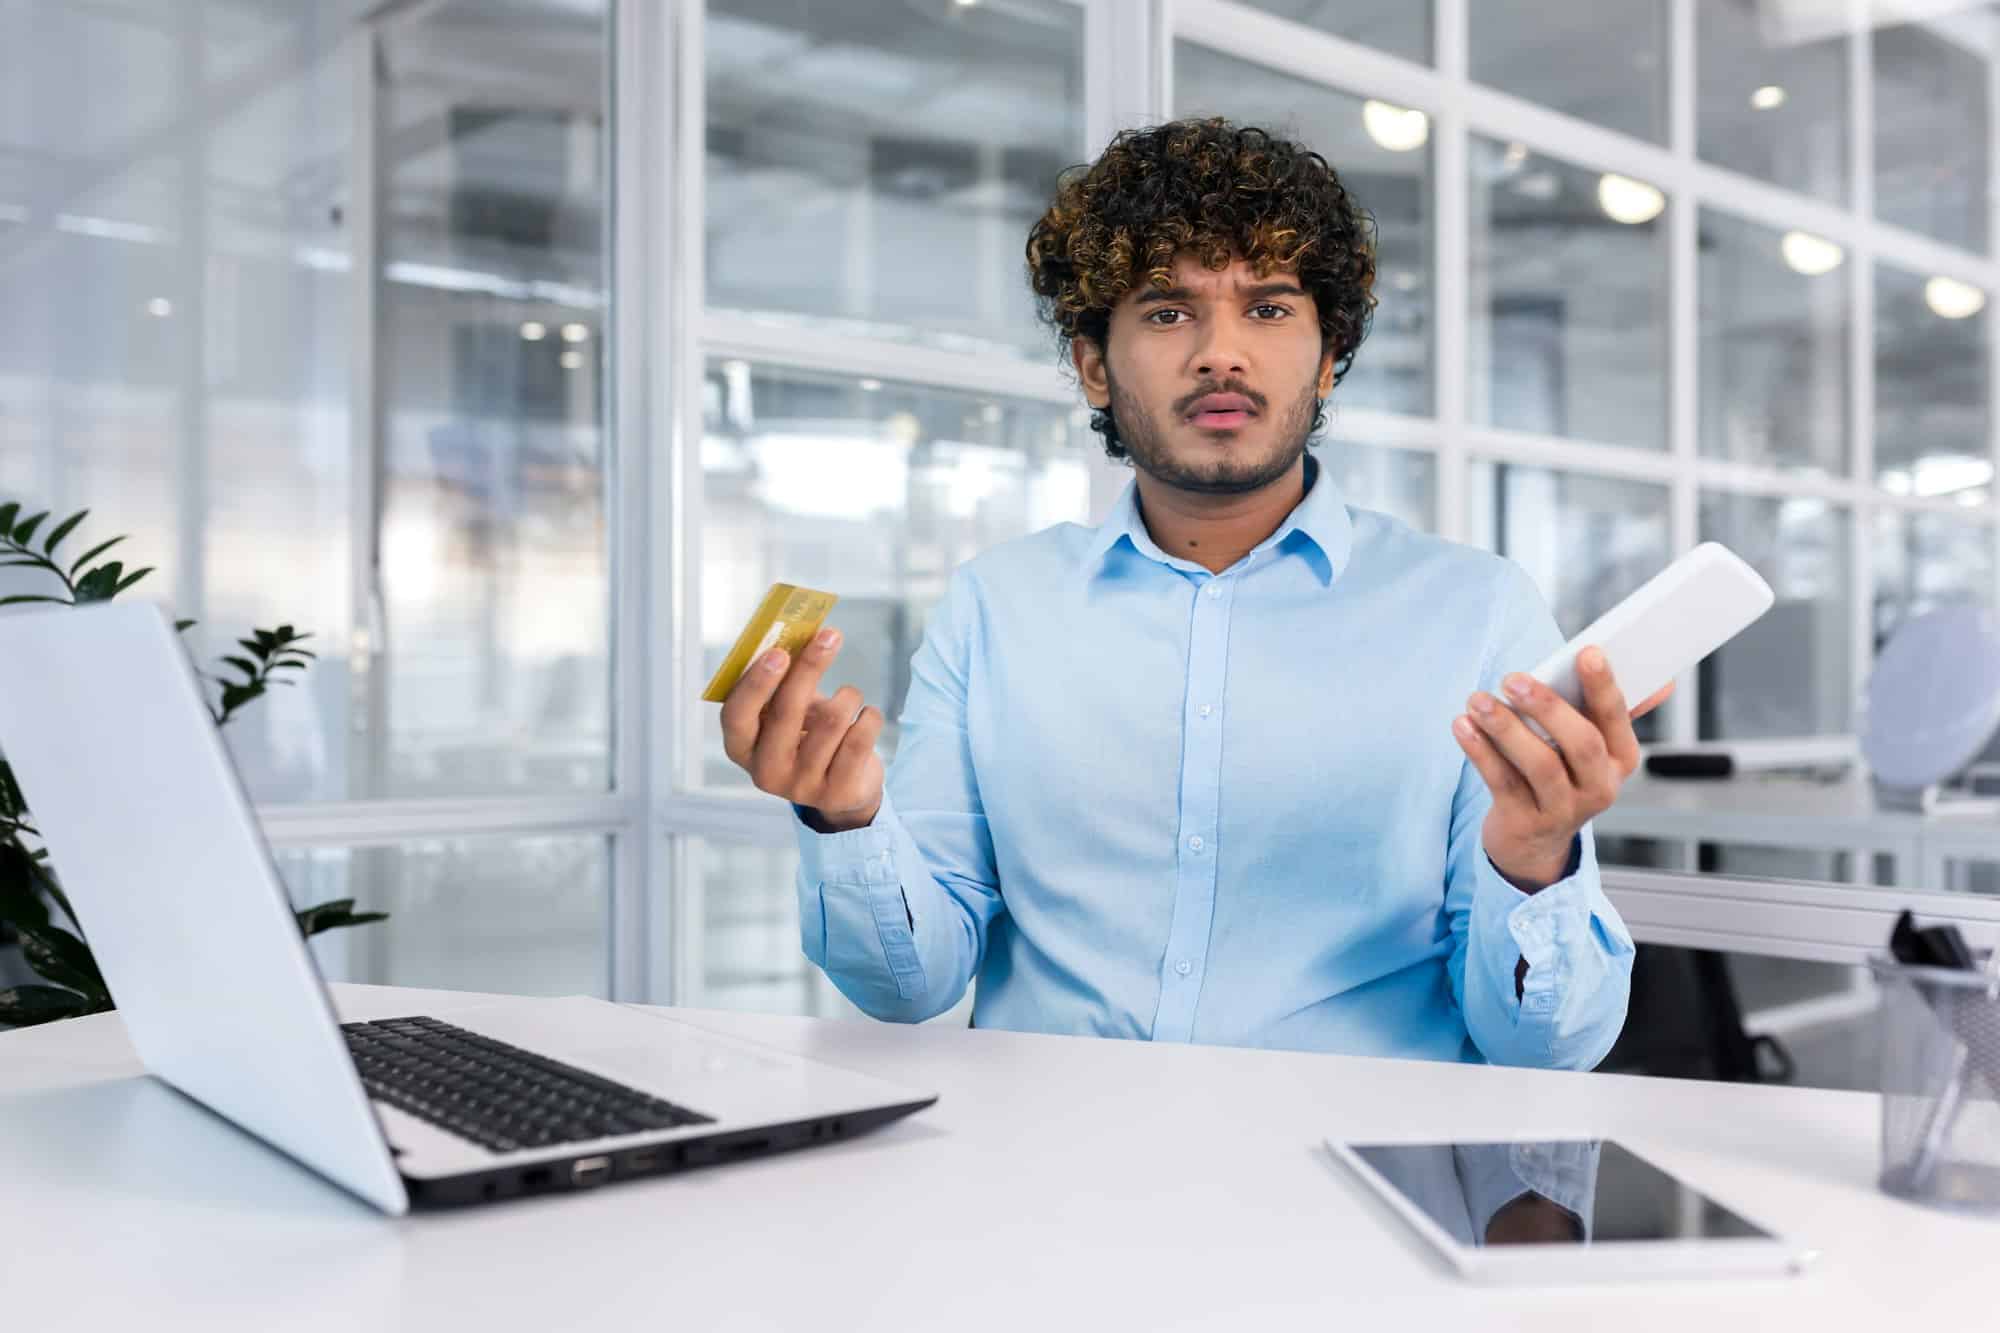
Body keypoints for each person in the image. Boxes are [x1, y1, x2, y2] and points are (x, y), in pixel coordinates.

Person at [719, 117, 1670, 1069]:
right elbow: (909, 985)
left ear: (1328, 354)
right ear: (1094, 364)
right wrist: (843, 821)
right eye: (1169, 311)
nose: (1223, 353)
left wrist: (1537, 855)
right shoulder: (995, 607)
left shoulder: (1477, 611)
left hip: (1350, 1190)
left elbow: (1546, 1051)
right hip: (1044, 1183)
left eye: (1267, 309)